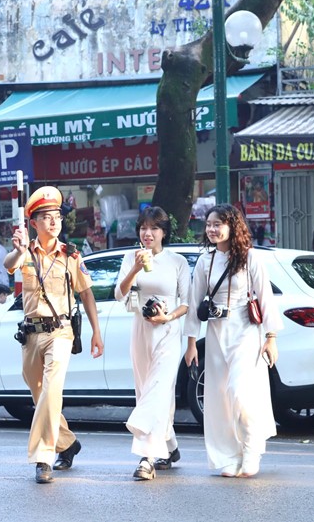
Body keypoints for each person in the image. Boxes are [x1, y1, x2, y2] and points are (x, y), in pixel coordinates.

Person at [4, 185, 104, 484]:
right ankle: (68, 443)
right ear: (34, 223)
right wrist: (19, 251)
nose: (53, 222)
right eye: (46, 217)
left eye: (57, 216)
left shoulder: (71, 254)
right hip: (30, 335)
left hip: (60, 332)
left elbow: (87, 295)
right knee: (41, 394)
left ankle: (43, 457)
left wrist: (96, 333)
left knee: (52, 391)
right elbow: (8, 266)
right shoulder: (25, 252)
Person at [183, 203, 282, 478]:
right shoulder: (206, 261)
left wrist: (271, 338)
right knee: (220, 397)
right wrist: (191, 343)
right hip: (216, 333)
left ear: (232, 226)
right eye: (209, 224)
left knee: (240, 392)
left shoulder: (251, 258)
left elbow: (266, 298)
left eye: (218, 224)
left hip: (246, 331)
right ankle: (227, 454)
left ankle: (251, 448)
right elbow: (194, 304)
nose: (212, 229)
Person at [114, 206, 190, 481]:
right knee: (149, 390)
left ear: (164, 232)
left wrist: (167, 317)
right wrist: (135, 267)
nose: (148, 233)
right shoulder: (129, 258)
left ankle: (146, 458)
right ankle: (169, 447)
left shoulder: (177, 261)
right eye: (144, 228)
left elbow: (187, 302)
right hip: (141, 331)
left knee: (157, 391)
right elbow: (120, 295)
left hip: (168, 332)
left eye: (154, 228)